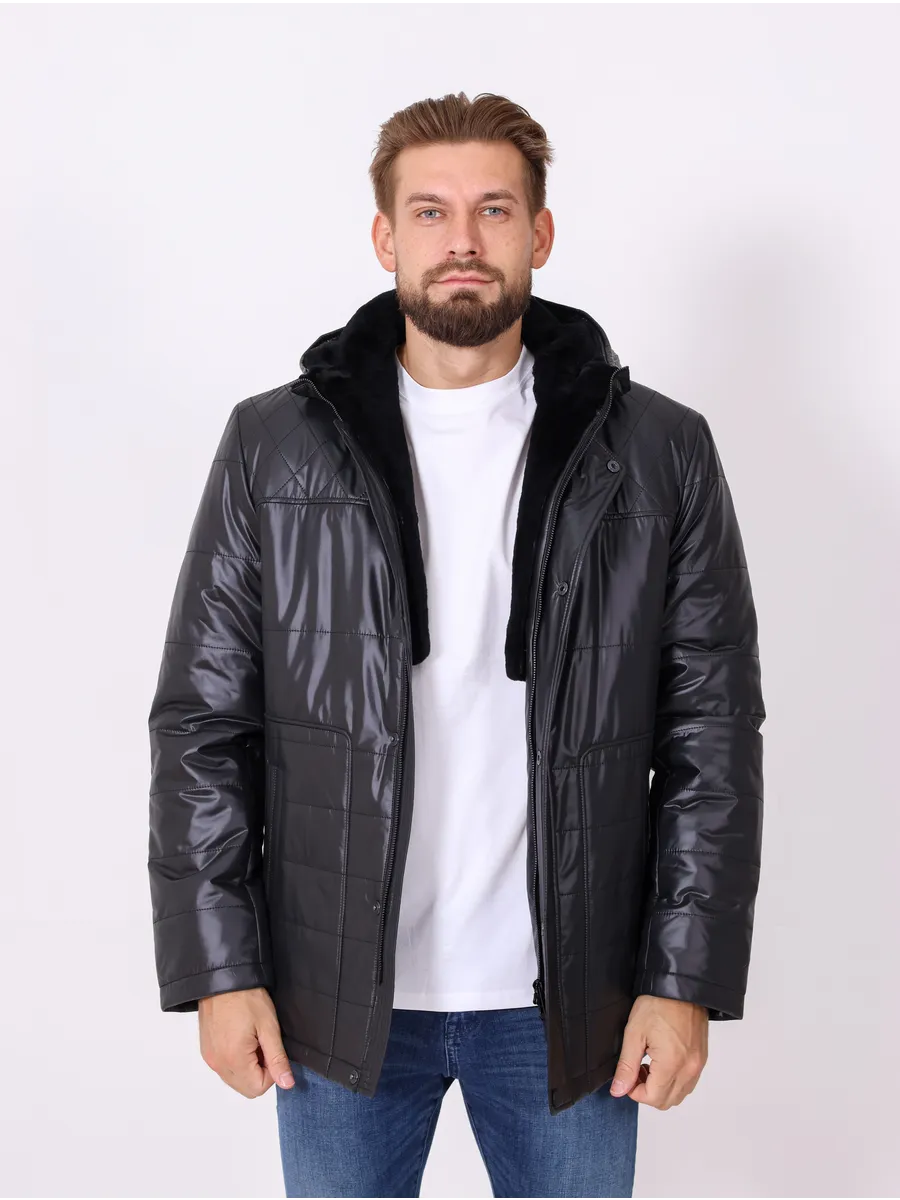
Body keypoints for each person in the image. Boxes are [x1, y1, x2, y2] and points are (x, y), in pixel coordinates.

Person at [147, 90, 766, 1199]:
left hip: (568, 1004)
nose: (463, 241)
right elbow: (203, 722)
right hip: (334, 999)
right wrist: (220, 968)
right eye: (430, 212)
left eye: (494, 209)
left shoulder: (658, 451)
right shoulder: (273, 446)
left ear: (541, 233)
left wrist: (682, 981)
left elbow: (712, 736)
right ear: (386, 237)